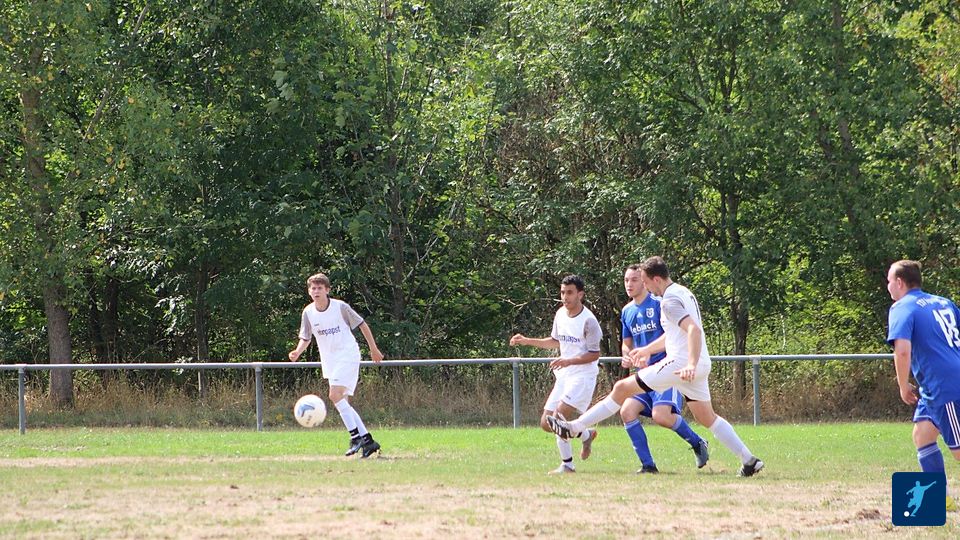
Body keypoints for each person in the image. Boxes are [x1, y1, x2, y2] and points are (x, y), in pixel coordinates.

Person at [547, 256, 763, 477]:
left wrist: (689, 363)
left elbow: (693, 330)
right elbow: (674, 334)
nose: (645, 286)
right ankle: (749, 460)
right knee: (707, 418)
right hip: (699, 364)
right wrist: (647, 350)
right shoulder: (683, 291)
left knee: (622, 388)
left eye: (645, 281)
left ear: (656, 279)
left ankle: (574, 427)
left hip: (680, 364)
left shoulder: (668, 302)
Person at [619, 264, 710, 474]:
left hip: (665, 370)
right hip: (644, 374)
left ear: (645, 281)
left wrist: (649, 351)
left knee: (661, 416)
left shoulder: (661, 304)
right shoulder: (627, 311)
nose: (629, 284)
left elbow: (672, 335)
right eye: (626, 280)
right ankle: (648, 466)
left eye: (634, 280)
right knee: (626, 411)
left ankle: (697, 442)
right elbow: (626, 342)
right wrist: (627, 354)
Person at [886, 259, 960, 511]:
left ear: (899, 282)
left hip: (945, 386)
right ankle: (940, 499)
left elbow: (902, 351)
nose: (887, 286)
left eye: (889, 280)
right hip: (934, 388)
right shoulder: (943, 302)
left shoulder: (901, 307)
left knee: (958, 451)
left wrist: (902, 385)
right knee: (923, 435)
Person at [510, 274, 602, 475]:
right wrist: (527, 340)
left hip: (582, 376)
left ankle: (567, 465)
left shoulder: (589, 321)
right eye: (562, 292)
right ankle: (585, 435)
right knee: (546, 423)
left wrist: (568, 361)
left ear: (580, 295)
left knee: (558, 417)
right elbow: (555, 341)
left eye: (569, 293)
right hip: (565, 375)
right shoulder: (560, 314)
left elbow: (594, 354)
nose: (565, 297)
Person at [289, 273, 384, 458]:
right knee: (343, 402)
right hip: (330, 360)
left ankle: (355, 438)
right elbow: (306, 337)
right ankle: (368, 441)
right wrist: (297, 351)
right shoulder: (308, 312)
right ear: (309, 291)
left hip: (347, 354)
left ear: (327, 290)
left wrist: (373, 349)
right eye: (313, 288)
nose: (316, 291)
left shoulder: (340, 307)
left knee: (334, 395)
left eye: (320, 288)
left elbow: (362, 324)